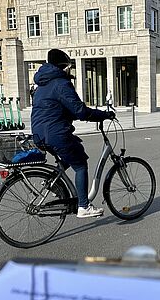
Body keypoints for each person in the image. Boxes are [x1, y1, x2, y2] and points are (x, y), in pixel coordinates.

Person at [31, 49, 115, 218]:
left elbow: (55, 109)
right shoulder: (60, 83)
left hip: (40, 133)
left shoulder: (43, 83)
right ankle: (84, 206)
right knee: (81, 164)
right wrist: (104, 114)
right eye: (69, 66)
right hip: (55, 132)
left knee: (70, 152)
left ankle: (51, 182)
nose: (70, 70)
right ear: (63, 66)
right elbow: (80, 111)